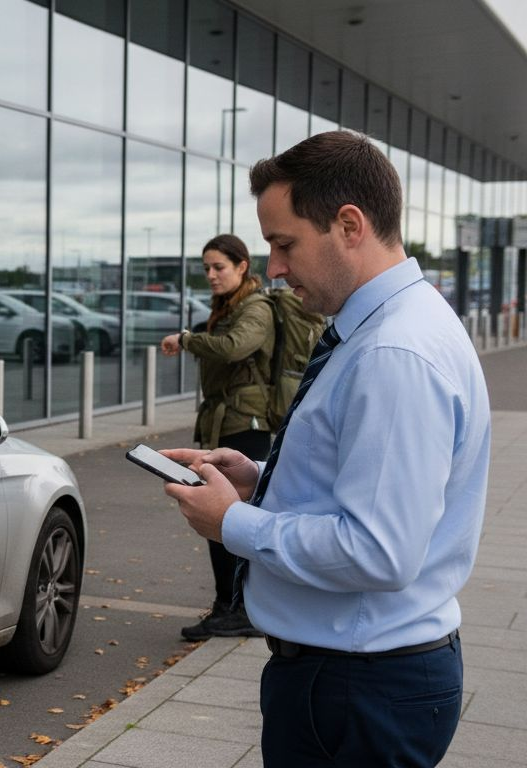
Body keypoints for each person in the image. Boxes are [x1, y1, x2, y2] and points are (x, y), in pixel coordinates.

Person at [161, 130, 490, 767]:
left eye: (285, 244)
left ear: (348, 224)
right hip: (359, 676)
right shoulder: (393, 324)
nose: (275, 267)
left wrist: (233, 522)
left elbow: (378, 551)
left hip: (357, 685)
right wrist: (259, 475)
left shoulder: (395, 352)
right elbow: (362, 477)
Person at [159, 234, 272, 641]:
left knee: (227, 515)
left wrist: (187, 339)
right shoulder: (232, 306)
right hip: (227, 421)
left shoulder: (256, 307)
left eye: (218, 266)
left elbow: (236, 347)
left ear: (242, 266)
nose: (210, 274)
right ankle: (233, 605)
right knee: (222, 516)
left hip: (246, 424)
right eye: (206, 267)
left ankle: (236, 608)